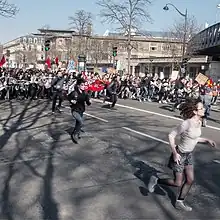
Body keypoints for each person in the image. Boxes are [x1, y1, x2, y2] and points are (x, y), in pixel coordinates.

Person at [148, 98, 216, 211]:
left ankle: (180, 202)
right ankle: (156, 180)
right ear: (195, 111)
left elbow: (194, 138)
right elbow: (171, 135)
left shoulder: (199, 122)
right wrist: (175, 153)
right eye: (201, 108)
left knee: (190, 180)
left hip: (188, 155)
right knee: (177, 183)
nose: (204, 109)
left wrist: (207, 140)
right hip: (180, 154)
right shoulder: (187, 123)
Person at [68, 78, 91, 143]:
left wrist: (89, 101)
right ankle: (75, 134)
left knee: (78, 123)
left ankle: (75, 132)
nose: (84, 86)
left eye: (84, 85)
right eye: (82, 85)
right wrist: (71, 101)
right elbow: (68, 97)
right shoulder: (74, 93)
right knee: (80, 122)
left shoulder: (85, 93)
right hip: (74, 110)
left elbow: (88, 103)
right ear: (78, 85)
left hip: (81, 110)